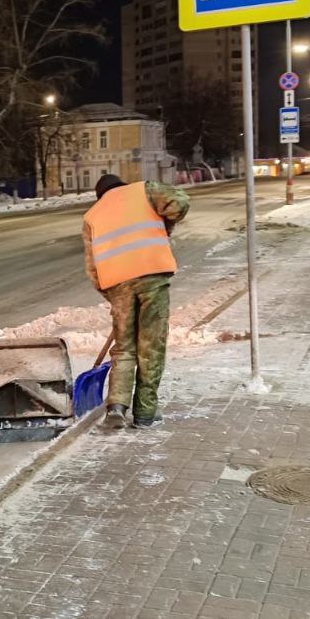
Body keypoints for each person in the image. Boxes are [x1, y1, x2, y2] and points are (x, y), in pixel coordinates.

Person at [83, 173, 190, 428]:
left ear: (101, 195)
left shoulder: (92, 216)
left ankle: (116, 407)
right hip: (152, 276)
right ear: (122, 186)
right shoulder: (145, 191)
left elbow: (92, 268)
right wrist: (166, 227)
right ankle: (144, 413)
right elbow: (180, 202)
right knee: (151, 346)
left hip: (118, 285)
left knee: (124, 347)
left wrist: (112, 295)